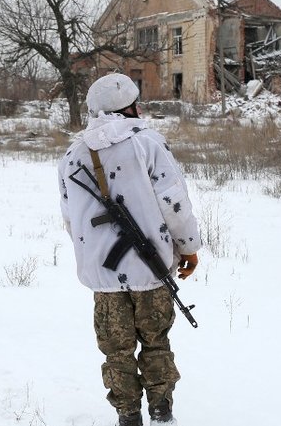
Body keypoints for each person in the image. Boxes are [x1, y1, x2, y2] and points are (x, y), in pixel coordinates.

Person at [58, 73, 201, 426]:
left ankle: (127, 414)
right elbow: (173, 202)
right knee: (155, 342)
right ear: (130, 107)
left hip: (103, 277)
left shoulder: (72, 155)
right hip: (150, 270)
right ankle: (161, 411)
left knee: (115, 350)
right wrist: (188, 247)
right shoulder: (147, 142)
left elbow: (70, 220)